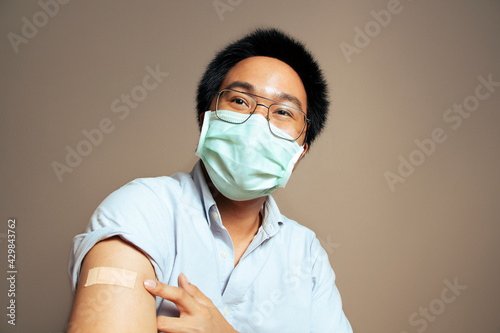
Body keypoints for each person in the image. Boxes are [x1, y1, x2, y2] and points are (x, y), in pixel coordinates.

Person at [68, 28, 352, 333]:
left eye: (283, 111)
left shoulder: (306, 254)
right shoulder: (142, 209)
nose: (257, 123)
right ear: (207, 119)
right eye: (241, 101)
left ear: (299, 152)